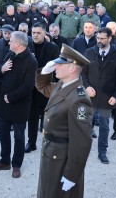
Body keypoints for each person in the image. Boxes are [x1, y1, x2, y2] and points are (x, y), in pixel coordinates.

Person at [36, 44, 93, 198]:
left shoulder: (79, 100)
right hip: (51, 153)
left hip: (61, 159)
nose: (56, 66)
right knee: (46, 192)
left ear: (72, 68)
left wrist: (72, 174)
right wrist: (44, 72)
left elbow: (82, 141)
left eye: (60, 64)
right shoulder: (62, 85)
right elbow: (43, 86)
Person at [0, 31, 37, 178]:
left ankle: (16, 165)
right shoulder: (9, 56)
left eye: (11, 41)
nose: (8, 43)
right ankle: (4, 161)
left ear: (18, 44)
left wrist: (11, 97)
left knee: (19, 136)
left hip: (19, 106)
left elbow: (28, 86)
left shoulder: (31, 61)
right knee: (2, 132)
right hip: (4, 105)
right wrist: (1, 70)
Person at [81, 27, 116, 164]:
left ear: (110, 38)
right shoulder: (89, 52)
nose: (98, 41)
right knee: (84, 122)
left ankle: (102, 151)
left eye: (102, 38)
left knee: (104, 125)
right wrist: (87, 87)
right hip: (89, 96)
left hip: (107, 97)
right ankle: (82, 149)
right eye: (97, 38)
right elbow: (83, 73)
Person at [25, 22, 59, 153]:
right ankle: (31, 142)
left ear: (45, 33)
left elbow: (57, 70)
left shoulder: (53, 48)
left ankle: (48, 144)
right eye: (33, 33)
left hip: (46, 88)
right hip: (31, 88)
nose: (35, 35)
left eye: (38, 33)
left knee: (48, 118)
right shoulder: (27, 46)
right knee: (31, 117)